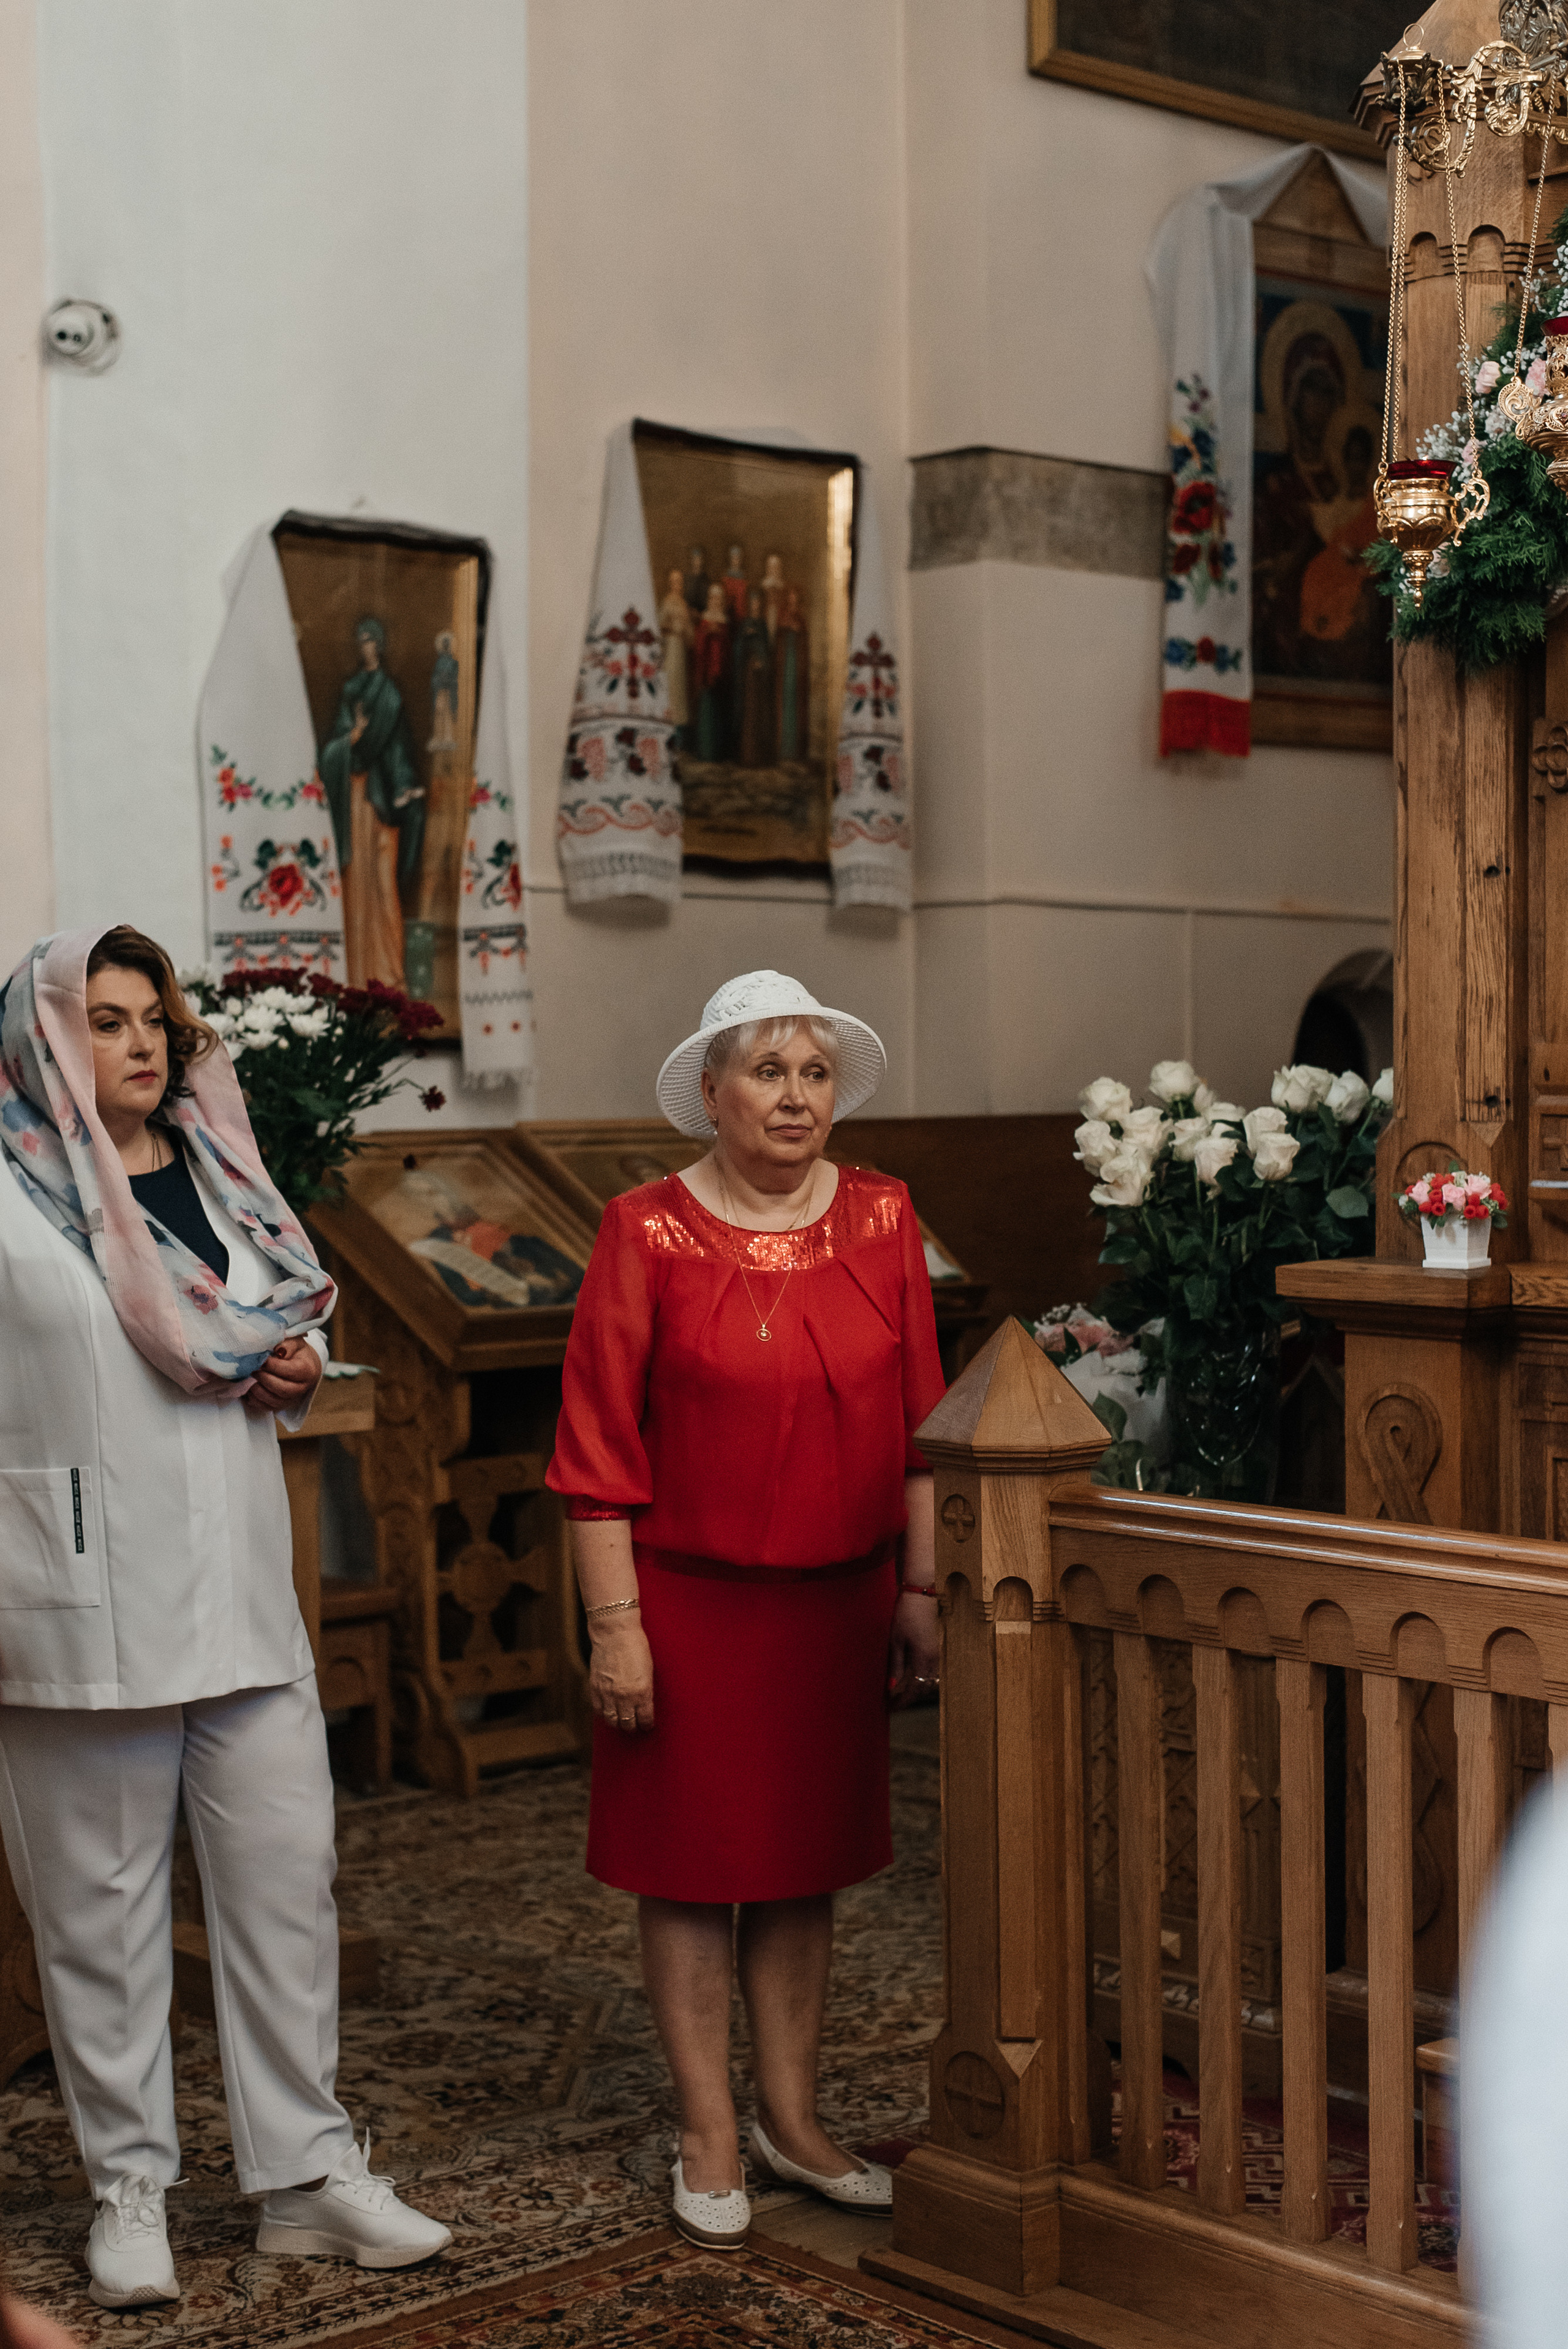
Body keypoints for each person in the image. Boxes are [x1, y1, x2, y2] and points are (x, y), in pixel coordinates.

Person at [0, 924, 449, 2309]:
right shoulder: (6, 1193)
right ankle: (128, 2185)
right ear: (40, 1041)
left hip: (244, 1593)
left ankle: (305, 2176)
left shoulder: (222, 1166)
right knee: (100, 1912)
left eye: (153, 1018)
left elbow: (269, 1336)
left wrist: (297, 1366)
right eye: (105, 1020)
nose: (140, 1042)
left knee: (285, 1888)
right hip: (82, 1605)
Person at [546, 969, 944, 2252]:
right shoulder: (642, 1231)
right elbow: (595, 1452)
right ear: (711, 1092)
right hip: (684, 1609)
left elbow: (927, 1428)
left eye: (813, 1073)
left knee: (800, 1865)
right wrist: (615, 1627)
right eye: (767, 1072)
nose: (794, 1097)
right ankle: (708, 2131)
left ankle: (794, 2122)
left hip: (837, 1607)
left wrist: (920, 1588)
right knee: (687, 1871)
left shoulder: (883, 1214)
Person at [318, 617, 426, 990]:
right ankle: (354, 977)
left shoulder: (390, 694)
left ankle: (389, 976)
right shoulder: (352, 690)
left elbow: (399, 748)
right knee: (355, 884)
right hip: (354, 798)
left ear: (379, 644)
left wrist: (404, 784)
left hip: (380, 802)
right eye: (361, 639)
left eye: (371, 639)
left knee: (383, 885)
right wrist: (353, 737)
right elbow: (335, 747)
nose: (366, 645)